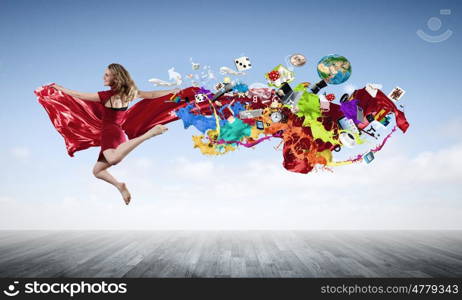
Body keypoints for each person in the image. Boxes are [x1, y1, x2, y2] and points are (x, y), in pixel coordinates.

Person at [51, 63, 180, 205]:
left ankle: (149, 134)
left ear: (116, 78)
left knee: (113, 159)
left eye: (106, 75)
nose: (103, 77)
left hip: (109, 132)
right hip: (117, 132)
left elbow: (79, 95)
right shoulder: (129, 93)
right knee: (97, 171)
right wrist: (171, 92)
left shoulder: (106, 96)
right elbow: (152, 94)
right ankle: (120, 186)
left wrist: (61, 89)